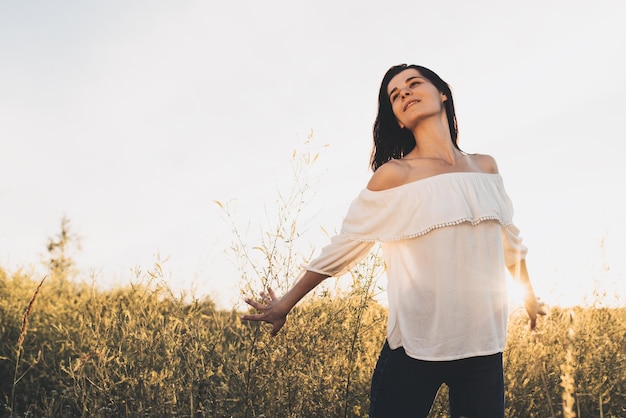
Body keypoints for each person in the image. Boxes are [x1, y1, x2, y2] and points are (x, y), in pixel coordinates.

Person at [241, 64, 545, 418]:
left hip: (483, 349)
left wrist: (529, 297)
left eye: (414, 84)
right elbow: (344, 245)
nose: (405, 94)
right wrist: (285, 304)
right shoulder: (394, 176)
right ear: (398, 119)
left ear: (442, 92)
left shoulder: (486, 167)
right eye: (395, 96)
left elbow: (510, 242)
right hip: (413, 350)